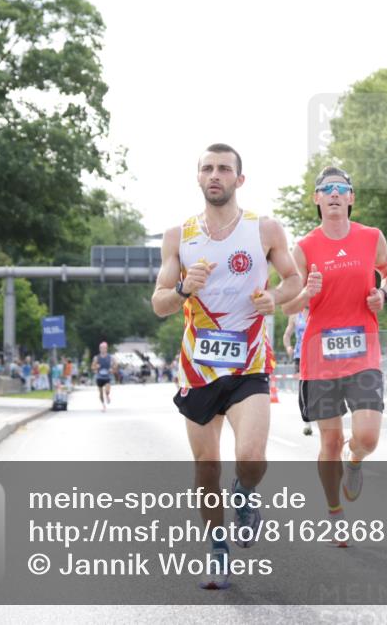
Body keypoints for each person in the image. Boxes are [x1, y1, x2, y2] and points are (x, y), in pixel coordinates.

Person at [151, 143, 302, 589]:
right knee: (206, 467)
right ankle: (218, 550)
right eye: (207, 168)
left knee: (251, 457)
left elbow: (292, 280)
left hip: (249, 364)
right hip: (198, 369)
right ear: (198, 178)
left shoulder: (266, 229)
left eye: (224, 169)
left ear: (240, 179)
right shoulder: (179, 235)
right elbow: (159, 304)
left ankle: (246, 492)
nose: (215, 175)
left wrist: (274, 297)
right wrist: (182, 289)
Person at [281, 166, 387, 545]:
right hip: (320, 358)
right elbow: (287, 306)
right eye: (326, 189)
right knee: (329, 442)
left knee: (366, 436)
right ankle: (334, 511)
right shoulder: (304, 248)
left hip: (363, 352)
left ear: (351, 198)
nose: (333, 194)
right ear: (317, 199)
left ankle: (356, 461)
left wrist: (384, 295)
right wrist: (306, 293)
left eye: (341, 189)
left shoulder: (371, 238)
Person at [283, 308, 313, 436]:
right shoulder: (295, 314)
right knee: (303, 386)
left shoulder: (318, 309)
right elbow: (287, 334)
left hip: (318, 354)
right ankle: (307, 420)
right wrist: (288, 346)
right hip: (300, 355)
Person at [91, 342, 117, 412]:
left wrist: (112, 369)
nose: (102, 349)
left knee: (107, 390)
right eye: (101, 348)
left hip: (107, 376)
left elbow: (115, 365)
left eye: (104, 348)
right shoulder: (96, 358)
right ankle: (103, 405)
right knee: (100, 393)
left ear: (106, 349)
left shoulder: (110, 357)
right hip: (99, 377)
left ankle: (107, 395)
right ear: (99, 349)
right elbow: (92, 367)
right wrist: (96, 367)